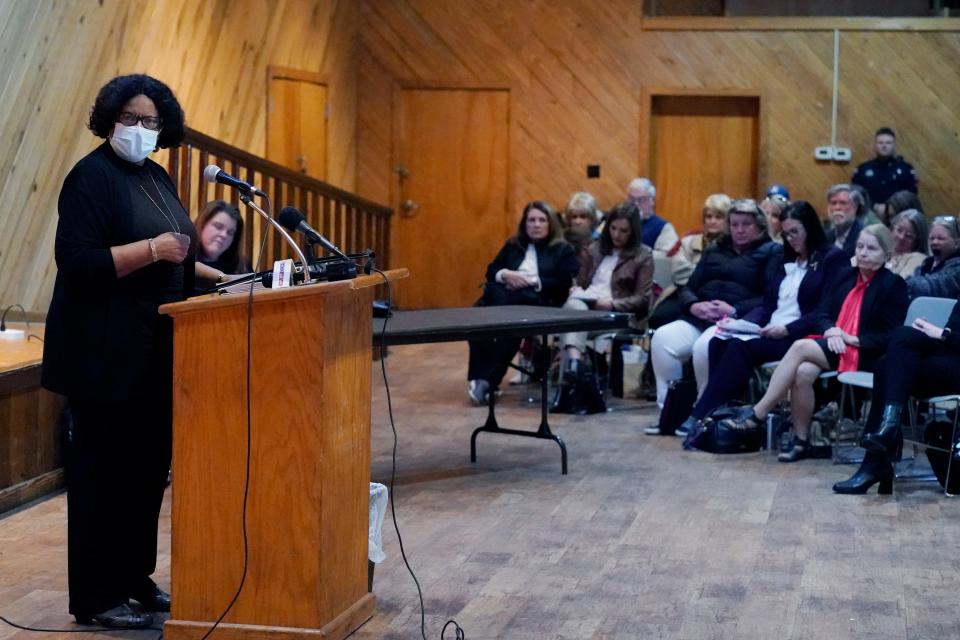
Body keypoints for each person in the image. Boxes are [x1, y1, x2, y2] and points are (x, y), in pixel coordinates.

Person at [41, 74, 193, 628]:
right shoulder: (91, 177)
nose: (140, 129)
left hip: (154, 351)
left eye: (151, 122)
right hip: (102, 353)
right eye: (130, 118)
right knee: (102, 477)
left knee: (147, 472)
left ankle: (134, 577)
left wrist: (218, 276)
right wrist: (151, 249)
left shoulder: (156, 175)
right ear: (109, 119)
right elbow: (78, 261)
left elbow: (176, 252)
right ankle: (95, 595)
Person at [719, 225, 908, 461]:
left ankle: (758, 413)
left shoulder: (893, 285)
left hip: (867, 353)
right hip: (834, 344)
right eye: (860, 246)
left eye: (871, 248)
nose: (863, 253)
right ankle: (801, 441)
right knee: (803, 372)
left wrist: (852, 338)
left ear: (887, 254)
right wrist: (831, 331)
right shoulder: (845, 276)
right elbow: (822, 313)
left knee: (799, 347)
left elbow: (893, 335)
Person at [676, 201, 848, 442]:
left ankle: (702, 414)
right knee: (720, 340)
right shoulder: (787, 258)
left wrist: (786, 328)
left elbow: (824, 310)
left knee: (740, 348)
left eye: (795, 232)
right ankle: (723, 415)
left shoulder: (833, 258)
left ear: (810, 228)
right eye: (786, 234)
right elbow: (768, 304)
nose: (790, 239)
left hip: (802, 334)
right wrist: (740, 324)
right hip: (771, 329)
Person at [648, 199, 781, 433]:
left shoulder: (771, 252)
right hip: (701, 314)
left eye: (746, 224)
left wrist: (735, 309)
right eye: (735, 224)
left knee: (703, 347)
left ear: (760, 226)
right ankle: (668, 411)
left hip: (735, 320)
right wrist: (693, 305)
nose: (739, 230)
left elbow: (769, 297)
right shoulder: (715, 249)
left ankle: (703, 414)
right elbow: (688, 286)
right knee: (662, 338)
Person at [833, 306, 960, 494]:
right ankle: (888, 429)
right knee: (901, 338)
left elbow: (949, 337)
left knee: (887, 365)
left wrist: (942, 334)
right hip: (947, 356)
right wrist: (929, 331)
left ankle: (876, 460)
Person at [466, 201, 578, 404]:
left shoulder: (562, 249)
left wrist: (531, 281)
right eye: (531, 220)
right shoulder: (513, 246)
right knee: (478, 318)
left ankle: (487, 380)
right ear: (524, 223)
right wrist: (506, 274)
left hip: (540, 301)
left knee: (511, 324)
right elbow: (491, 270)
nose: (536, 225)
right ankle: (484, 379)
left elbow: (564, 281)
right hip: (504, 296)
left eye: (541, 220)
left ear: (550, 224)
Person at [560, 202, 653, 368]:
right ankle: (575, 365)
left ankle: (574, 372)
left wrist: (611, 305)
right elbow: (582, 282)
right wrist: (575, 288)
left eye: (623, 231)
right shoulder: (595, 249)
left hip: (619, 315)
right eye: (613, 228)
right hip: (587, 307)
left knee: (571, 319)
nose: (616, 235)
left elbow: (642, 299)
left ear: (633, 232)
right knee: (573, 305)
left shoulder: (643, 255)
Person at [851, 127, 918, 218]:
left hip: (899, 216)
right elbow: (855, 194)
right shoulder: (863, 169)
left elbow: (911, 196)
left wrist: (891, 207)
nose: (884, 146)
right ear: (875, 146)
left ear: (894, 145)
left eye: (888, 143)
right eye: (880, 143)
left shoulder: (905, 169)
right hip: (868, 215)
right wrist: (874, 206)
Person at [194, 199, 251, 282]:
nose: (224, 235)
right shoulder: (183, 261)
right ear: (202, 225)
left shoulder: (242, 266)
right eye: (218, 227)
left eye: (230, 233)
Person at [905, 215, 960, 298]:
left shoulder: (957, 267)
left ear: (956, 243)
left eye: (940, 238)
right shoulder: (927, 263)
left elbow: (931, 287)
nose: (934, 242)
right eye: (932, 238)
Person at [626, 177, 678, 258]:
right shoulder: (618, 222)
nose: (636, 204)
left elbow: (666, 257)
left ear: (652, 201)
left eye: (641, 199)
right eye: (632, 199)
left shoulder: (663, 227)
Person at [824, 183, 865, 258]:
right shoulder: (826, 236)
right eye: (833, 203)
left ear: (855, 207)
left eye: (843, 203)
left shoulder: (864, 236)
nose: (837, 208)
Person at [885, 209, 928, 278]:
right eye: (899, 230)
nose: (901, 237)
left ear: (917, 241)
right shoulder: (881, 247)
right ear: (892, 228)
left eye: (908, 236)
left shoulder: (917, 259)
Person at [562, 191, 601, 265]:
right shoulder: (561, 241)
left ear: (592, 218)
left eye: (583, 217)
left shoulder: (600, 243)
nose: (577, 221)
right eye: (574, 217)